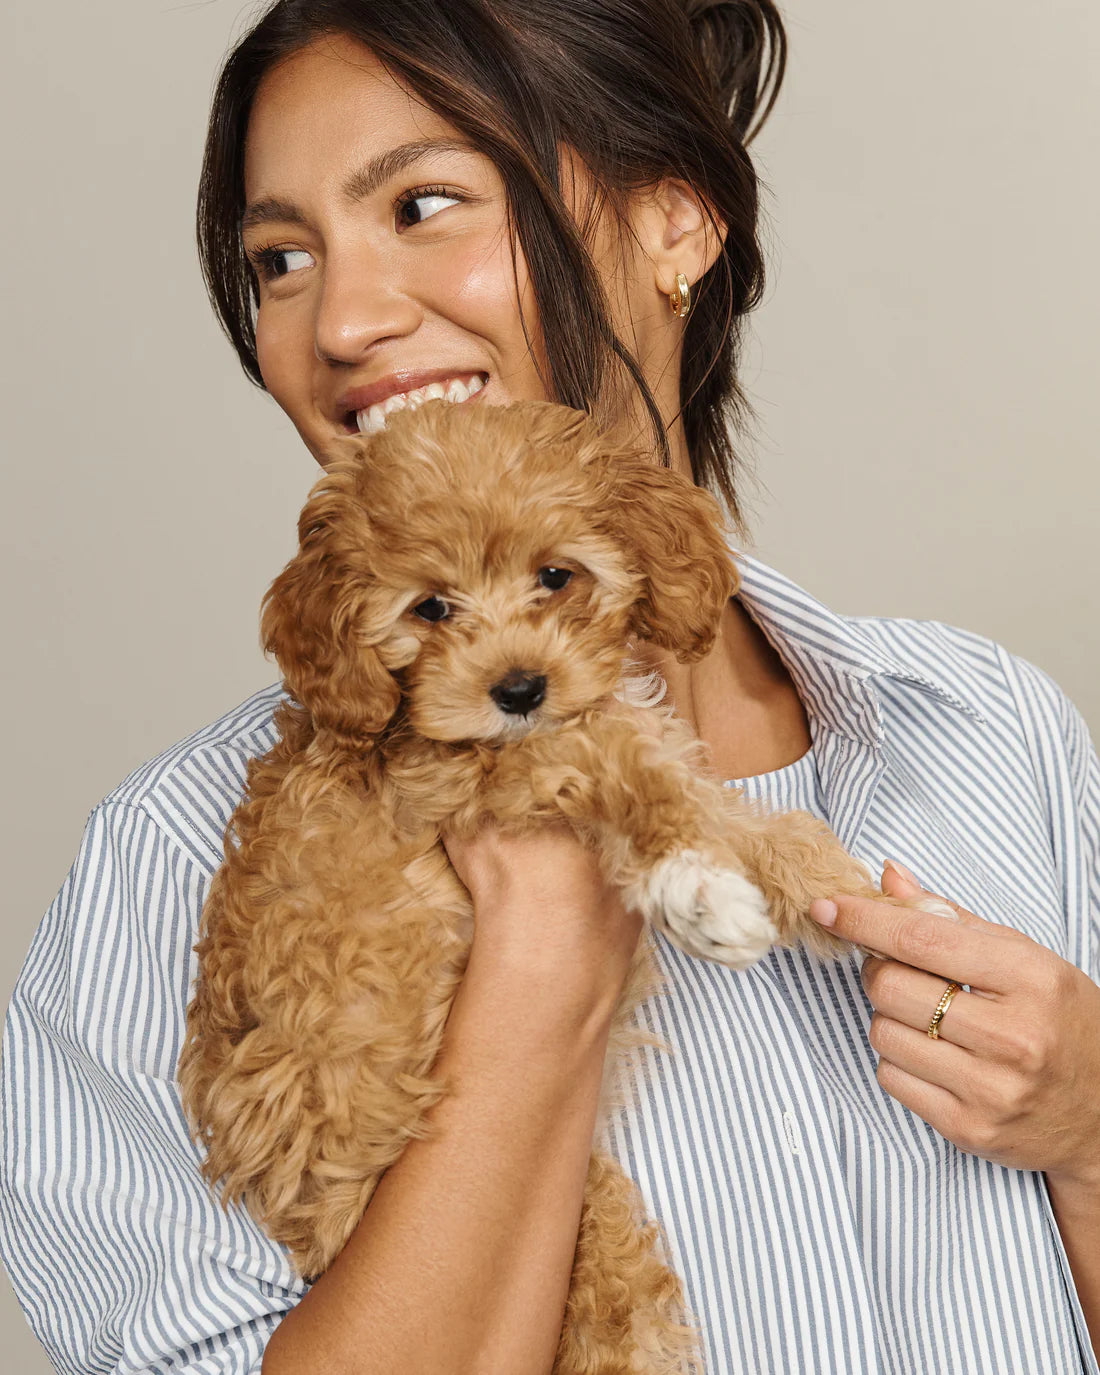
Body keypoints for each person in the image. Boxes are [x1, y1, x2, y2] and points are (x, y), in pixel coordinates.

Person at [2, 2, 1099, 1372]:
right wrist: (534, 986)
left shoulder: (989, 732)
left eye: (423, 204)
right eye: (281, 259)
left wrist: (1091, 1138)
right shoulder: (166, 871)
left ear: (674, 223)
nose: (339, 321)